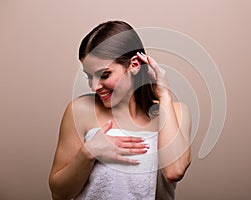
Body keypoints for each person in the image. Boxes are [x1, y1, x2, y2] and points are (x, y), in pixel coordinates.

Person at [49, 20, 191, 200]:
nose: (94, 86)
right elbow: (59, 194)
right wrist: (88, 153)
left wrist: (164, 95)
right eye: (89, 76)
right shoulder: (80, 111)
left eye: (104, 75)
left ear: (134, 65)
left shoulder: (176, 112)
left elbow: (174, 171)